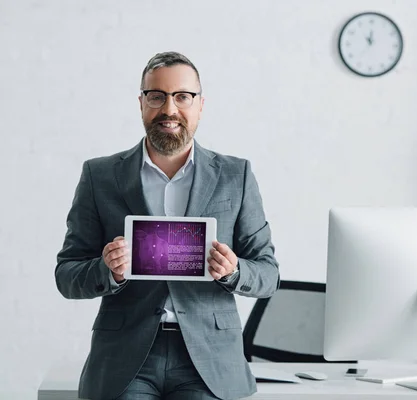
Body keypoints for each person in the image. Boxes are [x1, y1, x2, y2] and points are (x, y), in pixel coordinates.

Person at [55, 51, 280, 400]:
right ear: (141, 103)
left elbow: (268, 275)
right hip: (125, 358)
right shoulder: (100, 176)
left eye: (182, 97)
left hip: (208, 359)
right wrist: (108, 270)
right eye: (156, 96)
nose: (169, 109)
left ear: (201, 104)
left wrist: (235, 271)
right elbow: (67, 275)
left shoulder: (237, 176)